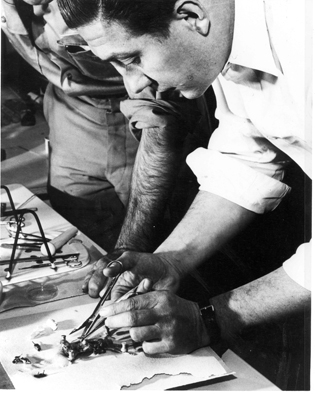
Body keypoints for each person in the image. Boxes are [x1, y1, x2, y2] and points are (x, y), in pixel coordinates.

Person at [57, 0, 311, 385]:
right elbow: (246, 159)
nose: (134, 85)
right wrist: (170, 261)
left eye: (132, 58)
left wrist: (211, 318)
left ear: (192, 16)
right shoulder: (225, 34)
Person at [1, 0, 211, 252]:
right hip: (70, 115)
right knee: (74, 233)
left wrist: (130, 250)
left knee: (155, 236)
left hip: (139, 105)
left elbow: (158, 98)